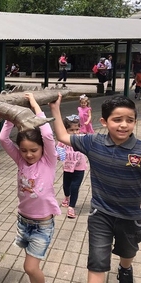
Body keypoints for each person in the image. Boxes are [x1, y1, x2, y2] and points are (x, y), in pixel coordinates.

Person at [50, 94, 141, 283]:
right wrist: (55, 108)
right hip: (101, 214)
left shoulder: (139, 150)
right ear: (104, 121)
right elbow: (63, 136)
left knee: (128, 251)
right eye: (117, 119)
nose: (124, 124)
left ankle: (125, 268)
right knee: (97, 262)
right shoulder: (93, 142)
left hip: (132, 216)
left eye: (129, 120)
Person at [0, 93, 61, 283]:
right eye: (24, 150)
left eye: (34, 150)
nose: (29, 154)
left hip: (42, 226)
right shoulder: (20, 161)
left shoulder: (49, 161)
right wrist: (12, 115)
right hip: (23, 222)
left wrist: (35, 105)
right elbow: (3, 139)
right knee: (31, 266)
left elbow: (48, 135)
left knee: (30, 267)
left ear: (42, 148)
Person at [56, 114, 87, 219]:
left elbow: (90, 145)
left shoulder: (82, 139)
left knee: (75, 187)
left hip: (80, 168)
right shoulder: (63, 141)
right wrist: (58, 156)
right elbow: (59, 152)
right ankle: (66, 197)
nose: (75, 132)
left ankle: (71, 207)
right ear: (66, 130)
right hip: (68, 168)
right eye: (71, 130)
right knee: (66, 186)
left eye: (77, 129)